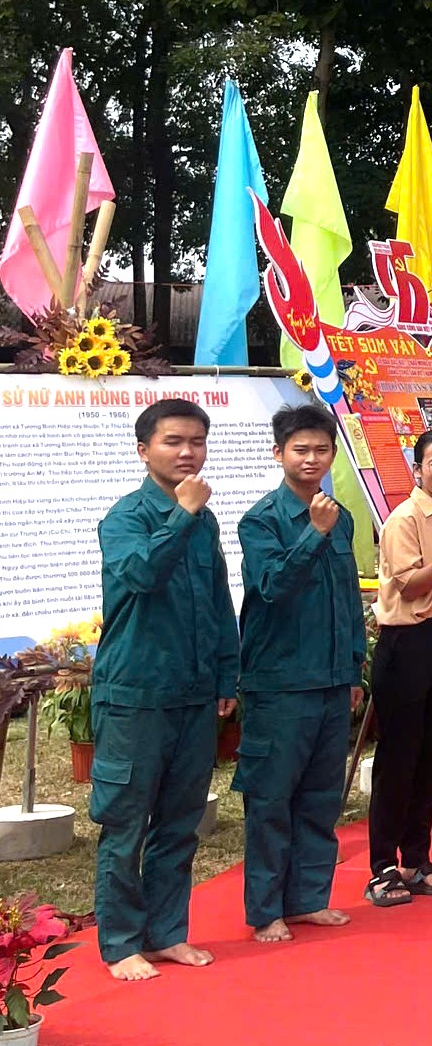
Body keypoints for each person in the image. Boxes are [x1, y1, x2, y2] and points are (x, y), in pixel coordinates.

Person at [91, 400, 237, 981]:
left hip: (194, 695)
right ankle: (121, 943)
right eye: (173, 441)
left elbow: (220, 602)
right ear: (143, 449)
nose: (187, 452)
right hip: (135, 696)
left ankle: (167, 933)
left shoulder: (205, 519)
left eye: (197, 441)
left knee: (180, 823)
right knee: (126, 825)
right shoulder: (125, 518)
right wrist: (180, 515)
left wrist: (226, 676)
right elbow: (141, 575)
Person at [236, 404, 366, 943]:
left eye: (321, 450)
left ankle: (309, 898)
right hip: (281, 682)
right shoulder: (261, 519)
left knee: (320, 797)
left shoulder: (341, 516)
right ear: (278, 454)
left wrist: (354, 669)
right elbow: (272, 588)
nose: (311, 459)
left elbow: (348, 599)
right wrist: (313, 533)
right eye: (300, 450)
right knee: (271, 800)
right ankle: (266, 910)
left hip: (332, 680)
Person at [365, 428, 432, 907]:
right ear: (417, 470)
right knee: (399, 758)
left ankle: (416, 859)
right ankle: (382, 867)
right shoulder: (403, 519)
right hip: (406, 641)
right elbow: (410, 587)